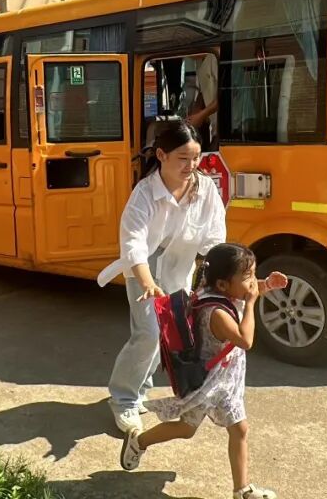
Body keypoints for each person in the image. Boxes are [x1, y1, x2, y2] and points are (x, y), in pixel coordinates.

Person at [119, 243, 286, 499]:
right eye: (248, 276)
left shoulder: (217, 292)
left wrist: (266, 285)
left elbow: (244, 292)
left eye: (254, 274)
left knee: (240, 429)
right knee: (186, 430)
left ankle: (242, 490)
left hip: (226, 383)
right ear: (222, 284)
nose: (253, 282)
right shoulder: (217, 313)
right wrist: (252, 303)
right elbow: (245, 339)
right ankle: (138, 441)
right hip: (209, 384)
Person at [97, 120, 226, 434]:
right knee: (149, 334)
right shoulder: (143, 194)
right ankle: (124, 400)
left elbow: (214, 236)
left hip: (181, 267)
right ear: (162, 155)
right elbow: (133, 246)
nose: (191, 165)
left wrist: (214, 279)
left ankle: (140, 389)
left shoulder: (205, 188)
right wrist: (147, 283)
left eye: (195, 158)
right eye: (183, 158)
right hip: (144, 268)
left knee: (170, 338)